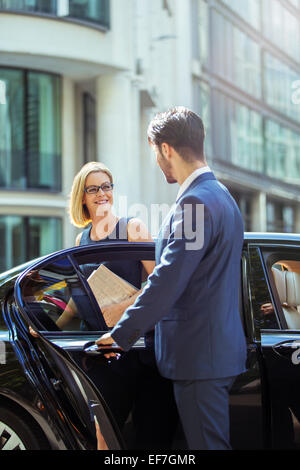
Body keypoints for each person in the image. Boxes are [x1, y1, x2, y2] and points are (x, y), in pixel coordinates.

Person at [96, 106, 247, 450]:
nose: (157, 161)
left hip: (198, 357)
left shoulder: (194, 203)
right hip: (210, 351)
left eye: (155, 152)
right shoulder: (221, 196)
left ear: (165, 149)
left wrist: (120, 335)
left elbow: (168, 279)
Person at [67, 161, 178, 449]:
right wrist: (44, 326)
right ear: (82, 196)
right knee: (104, 433)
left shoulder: (132, 227)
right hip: (104, 351)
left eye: (107, 186)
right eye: (94, 188)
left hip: (140, 348)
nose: (102, 193)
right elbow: (78, 301)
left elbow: (160, 284)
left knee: (151, 436)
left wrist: (124, 306)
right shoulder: (82, 238)